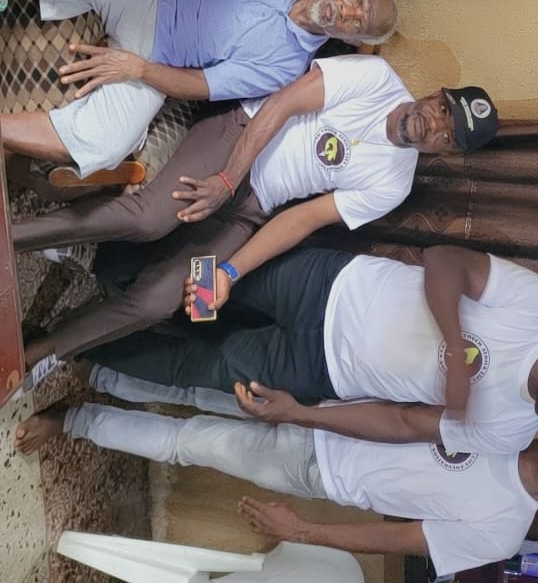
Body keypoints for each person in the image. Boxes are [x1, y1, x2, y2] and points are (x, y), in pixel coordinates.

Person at [12, 67, 499, 394]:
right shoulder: (377, 78)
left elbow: (302, 218)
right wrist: (227, 179)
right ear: (436, 96)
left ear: (446, 152)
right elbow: (280, 105)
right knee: (148, 219)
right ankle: (13, 237)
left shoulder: (395, 183)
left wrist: (228, 273)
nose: (435, 126)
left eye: (449, 137)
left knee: (161, 304)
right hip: (234, 140)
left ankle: (45, 350)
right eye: (443, 111)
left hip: (251, 210)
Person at [15, 382, 538, 572]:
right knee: (196, 388)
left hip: (316, 470)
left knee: (188, 443)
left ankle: (72, 419)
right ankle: (95, 368)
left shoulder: (504, 532)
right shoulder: (511, 420)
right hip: (322, 404)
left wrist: (303, 530)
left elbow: (399, 538)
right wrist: (313, 403)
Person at [84, 244, 538, 454]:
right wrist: (454, 343)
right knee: (200, 280)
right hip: (325, 287)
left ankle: (72, 346)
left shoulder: (510, 434)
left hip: (319, 370)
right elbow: (444, 261)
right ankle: (89, 258)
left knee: (196, 366)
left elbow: (403, 423)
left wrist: (303, 414)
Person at [0, 0, 397, 179]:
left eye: (356, 25)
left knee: (106, 145)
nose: (346, 13)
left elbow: (200, 85)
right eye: (357, 2)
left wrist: (137, 68)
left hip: (155, 59)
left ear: (351, 41)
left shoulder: (287, 69)